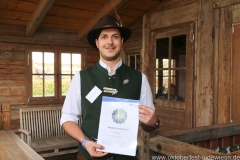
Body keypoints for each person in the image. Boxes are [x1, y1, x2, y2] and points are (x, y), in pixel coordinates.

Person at [60, 15, 160, 160]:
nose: (110, 42)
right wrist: (85, 141)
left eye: (115, 36)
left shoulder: (139, 79)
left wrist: (153, 122)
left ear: (122, 41)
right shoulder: (81, 78)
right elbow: (68, 118)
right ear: (97, 42)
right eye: (104, 37)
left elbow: (147, 123)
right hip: (88, 157)